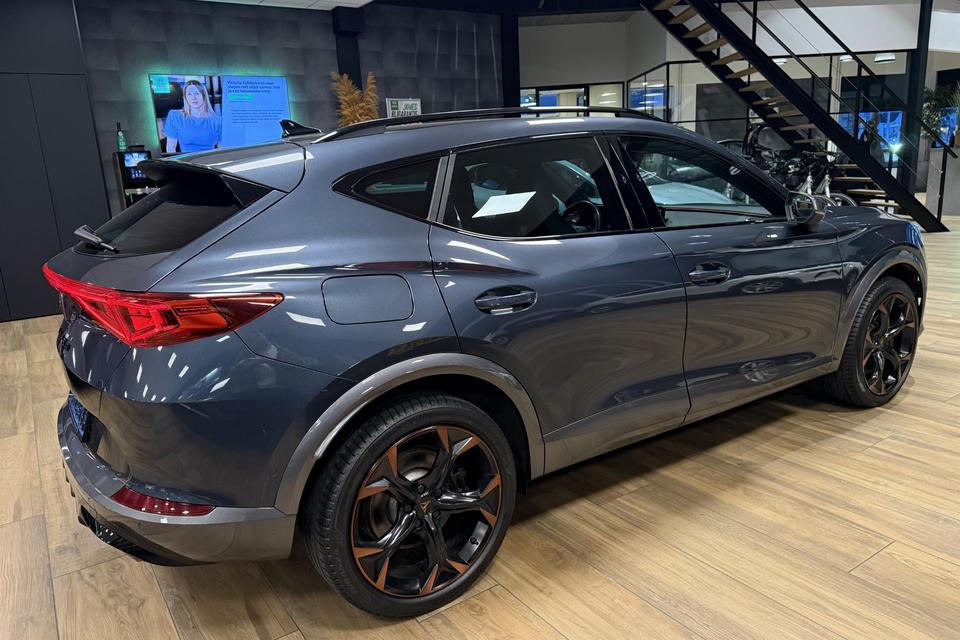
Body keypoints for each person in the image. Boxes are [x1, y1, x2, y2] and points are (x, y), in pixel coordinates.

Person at [163, 80, 221, 153]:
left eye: (197, 93)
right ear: (185, 97)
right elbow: (170, 148)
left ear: (204, 96)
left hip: (210, 159)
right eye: (189, 94)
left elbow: (222, 150)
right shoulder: (175, 116)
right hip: (186, 160)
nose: (193, 98)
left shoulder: (217, 120)